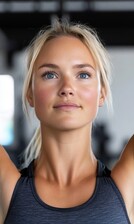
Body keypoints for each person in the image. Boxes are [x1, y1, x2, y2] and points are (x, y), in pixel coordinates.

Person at [0, 18, 133, 224]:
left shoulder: (127, 183)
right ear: (30, 94)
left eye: (83, 74)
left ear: (102, 93)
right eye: (50, 74)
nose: (67, 87)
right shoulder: (6, 185)